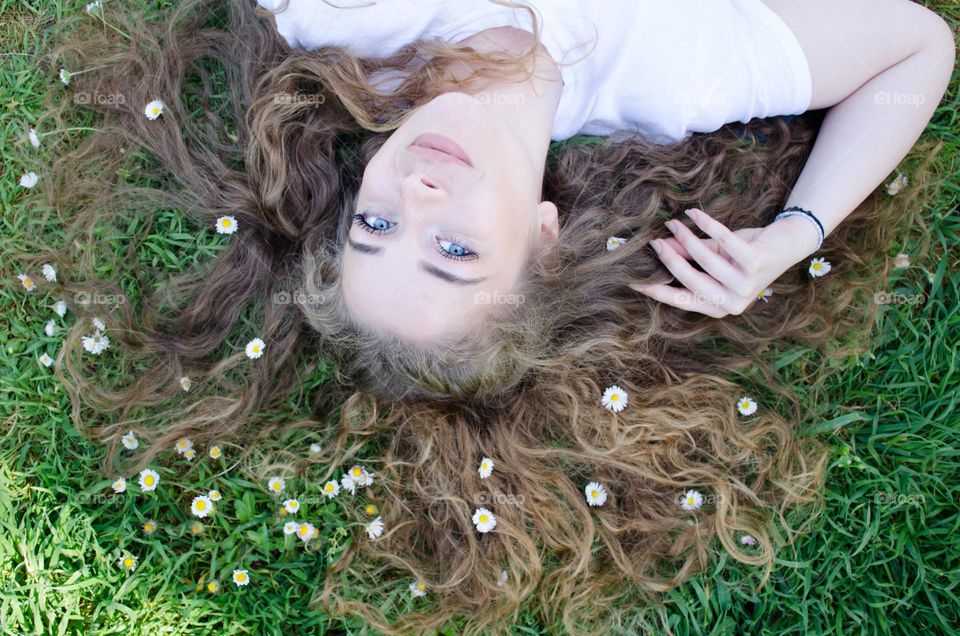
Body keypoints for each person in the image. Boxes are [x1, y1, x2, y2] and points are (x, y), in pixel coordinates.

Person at [40, 0, 952, 632]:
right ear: (545, 242)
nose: (421, 191)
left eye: (378, 224)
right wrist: (796, 233)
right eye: (455, 252)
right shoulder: (690, 77)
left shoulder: (342, 22)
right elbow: (917, 48)